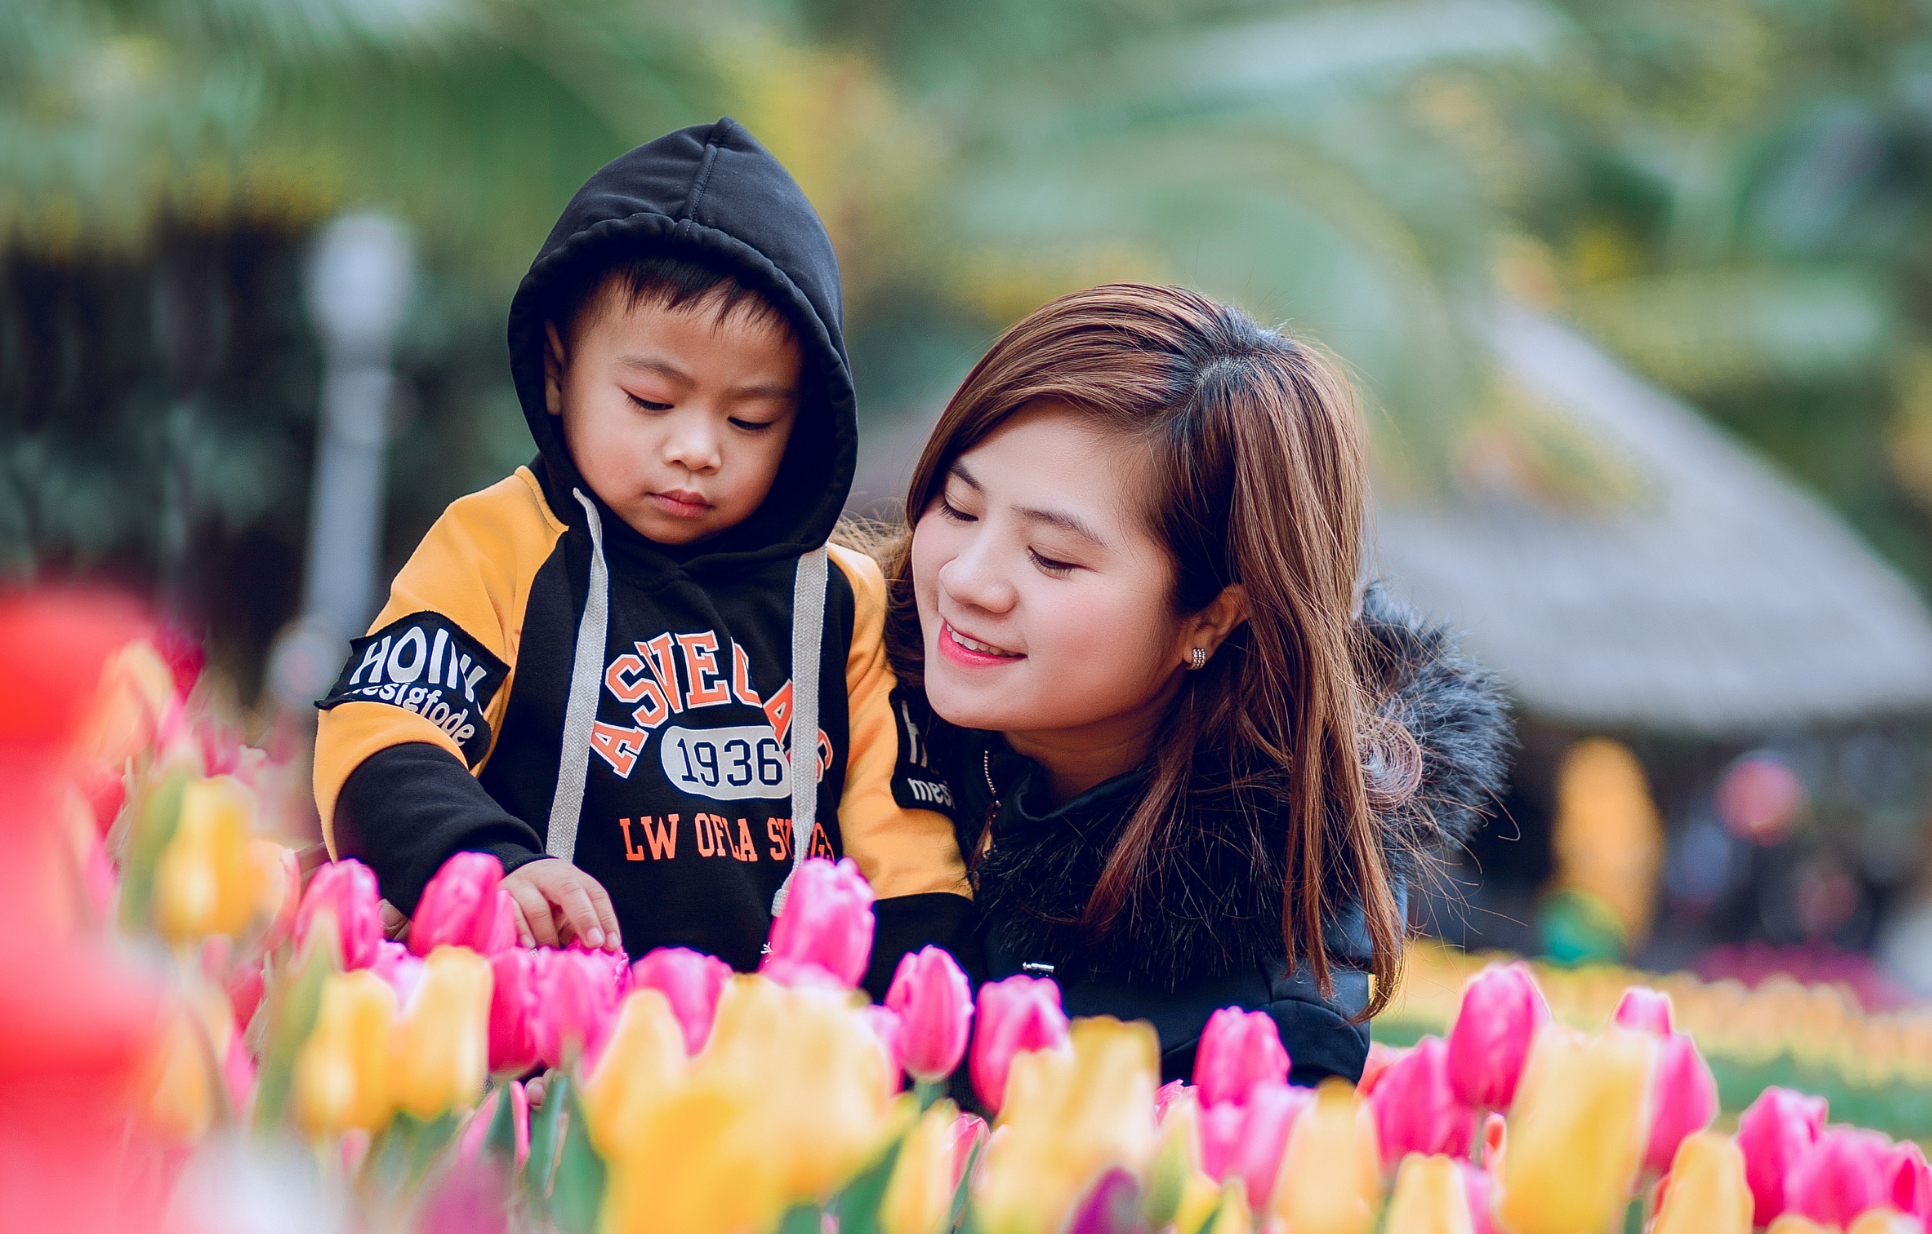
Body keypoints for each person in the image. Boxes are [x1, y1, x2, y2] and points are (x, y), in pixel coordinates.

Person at [312, 119, 966, 979]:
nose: (698, 448)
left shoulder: (846, 605)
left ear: (804, 421)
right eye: (651, 401)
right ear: (558, 372)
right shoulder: (498, 544)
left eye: (750, 419)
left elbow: (910, 857)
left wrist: (902, 1022)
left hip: (762, 1063)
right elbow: (382, 735)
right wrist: (484, 864)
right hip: (541, 1033)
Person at [880, 283, 1511, 1085]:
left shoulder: (1258, 1021)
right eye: (959, 507)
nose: (968, 580)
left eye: (1052, 557)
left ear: (1211, 618)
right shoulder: (830, 707)